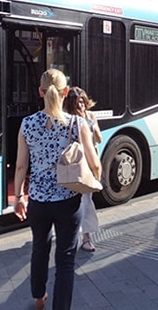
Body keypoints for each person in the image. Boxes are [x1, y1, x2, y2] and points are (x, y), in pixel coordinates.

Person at [13, 69, 102, 310]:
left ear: (40, 92)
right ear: (66, 92)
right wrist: (96, 178)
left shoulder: (27, 124)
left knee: (39, 248)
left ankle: (39, 297)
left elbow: (21, 165)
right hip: (68, 201)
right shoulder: (77, 123)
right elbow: (94, 164)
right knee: (65, 260)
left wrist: (19, 197)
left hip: (39, 203)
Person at [64, 86, 102, 252]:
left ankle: (86, 237)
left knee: (87, 200)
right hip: (75, 163)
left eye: (82, 102)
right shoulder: (68, 119)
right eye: (77, 103)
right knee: (72, 201)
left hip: (89, 161)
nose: (81, 106)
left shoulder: (91, 116)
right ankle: (71, 233)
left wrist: (92, 128)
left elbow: (99, 139)